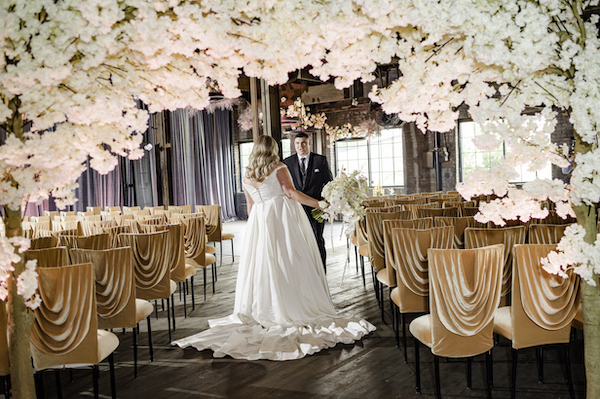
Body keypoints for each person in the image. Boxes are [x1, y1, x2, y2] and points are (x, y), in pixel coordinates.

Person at [173, 135, 375, 361]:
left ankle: (266, 306)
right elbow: (291, 193)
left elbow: (251, 206)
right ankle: (290, 304)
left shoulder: (247, 173)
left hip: (259, 221)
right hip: (282, 219)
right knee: (289, 258)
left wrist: (258, 228)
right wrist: (319, 203)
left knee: (264, 263)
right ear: (273, 149)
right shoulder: (279, 166)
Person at [283, 132, 333, 271]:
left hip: (316, 210)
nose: (301, 146)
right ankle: (303, 272)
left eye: (303, 143)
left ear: (309, 143)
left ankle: (321, 272)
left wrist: (325, 203)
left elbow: (330, 184)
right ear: (294, 145)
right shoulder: (287, 162)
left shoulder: (320, 160)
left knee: (317, 240)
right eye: (297, 143)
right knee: (298, 242)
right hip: (296, 210)